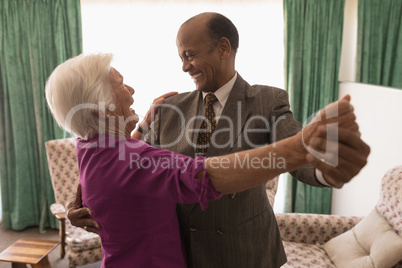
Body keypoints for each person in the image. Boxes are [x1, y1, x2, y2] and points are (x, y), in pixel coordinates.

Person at [66, 13, 370, 267]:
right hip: (186, 254)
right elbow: (136, 161)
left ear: (223, 48)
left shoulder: (268, 100)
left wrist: (323, 165)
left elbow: (299, 156)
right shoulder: (169, 107)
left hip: (246, 254)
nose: (184, 66)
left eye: (190, 55)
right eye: (181, 58)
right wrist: (84, 194)